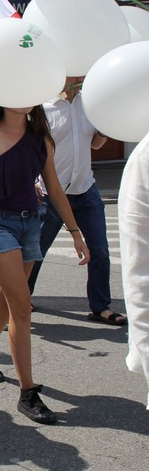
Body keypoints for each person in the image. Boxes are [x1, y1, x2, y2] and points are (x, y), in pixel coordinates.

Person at [0, 103, 89, 424]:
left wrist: (76, 232)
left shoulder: (40, 138)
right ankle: (28, 392)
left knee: (6, 304)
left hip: (31, 223)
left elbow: (56, 189)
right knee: (21, 307)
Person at [27, 77, 126, 326]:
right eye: (77, 74)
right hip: (50, 194)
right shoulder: (42, 109)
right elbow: (29, 151)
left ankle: (100, 306)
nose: (82, 78)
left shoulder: (89, 104)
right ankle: (21, 301)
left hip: (85, 189)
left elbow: (95, 143)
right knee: (35, 252)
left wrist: (104, 129)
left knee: (100, 250)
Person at [117, 131, 149, 408]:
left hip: (80, 192)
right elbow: (140, 277)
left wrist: (75, 231)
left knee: (100, 256)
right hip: (0, 220)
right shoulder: (144, 158)